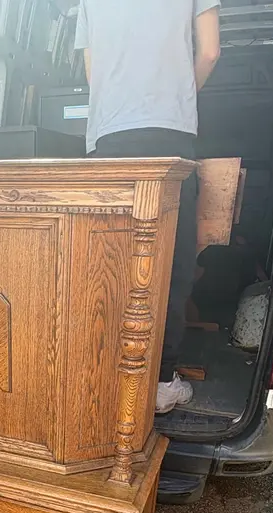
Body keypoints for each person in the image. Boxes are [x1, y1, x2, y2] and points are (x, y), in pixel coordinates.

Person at [75, 0, 221, 414]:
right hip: (167, 132)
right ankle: (157, 383)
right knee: (168, 267)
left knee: (108, 265)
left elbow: (93, 72)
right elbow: (209, 51)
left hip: (108, 138)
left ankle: (100, 376)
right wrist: (174, 96)